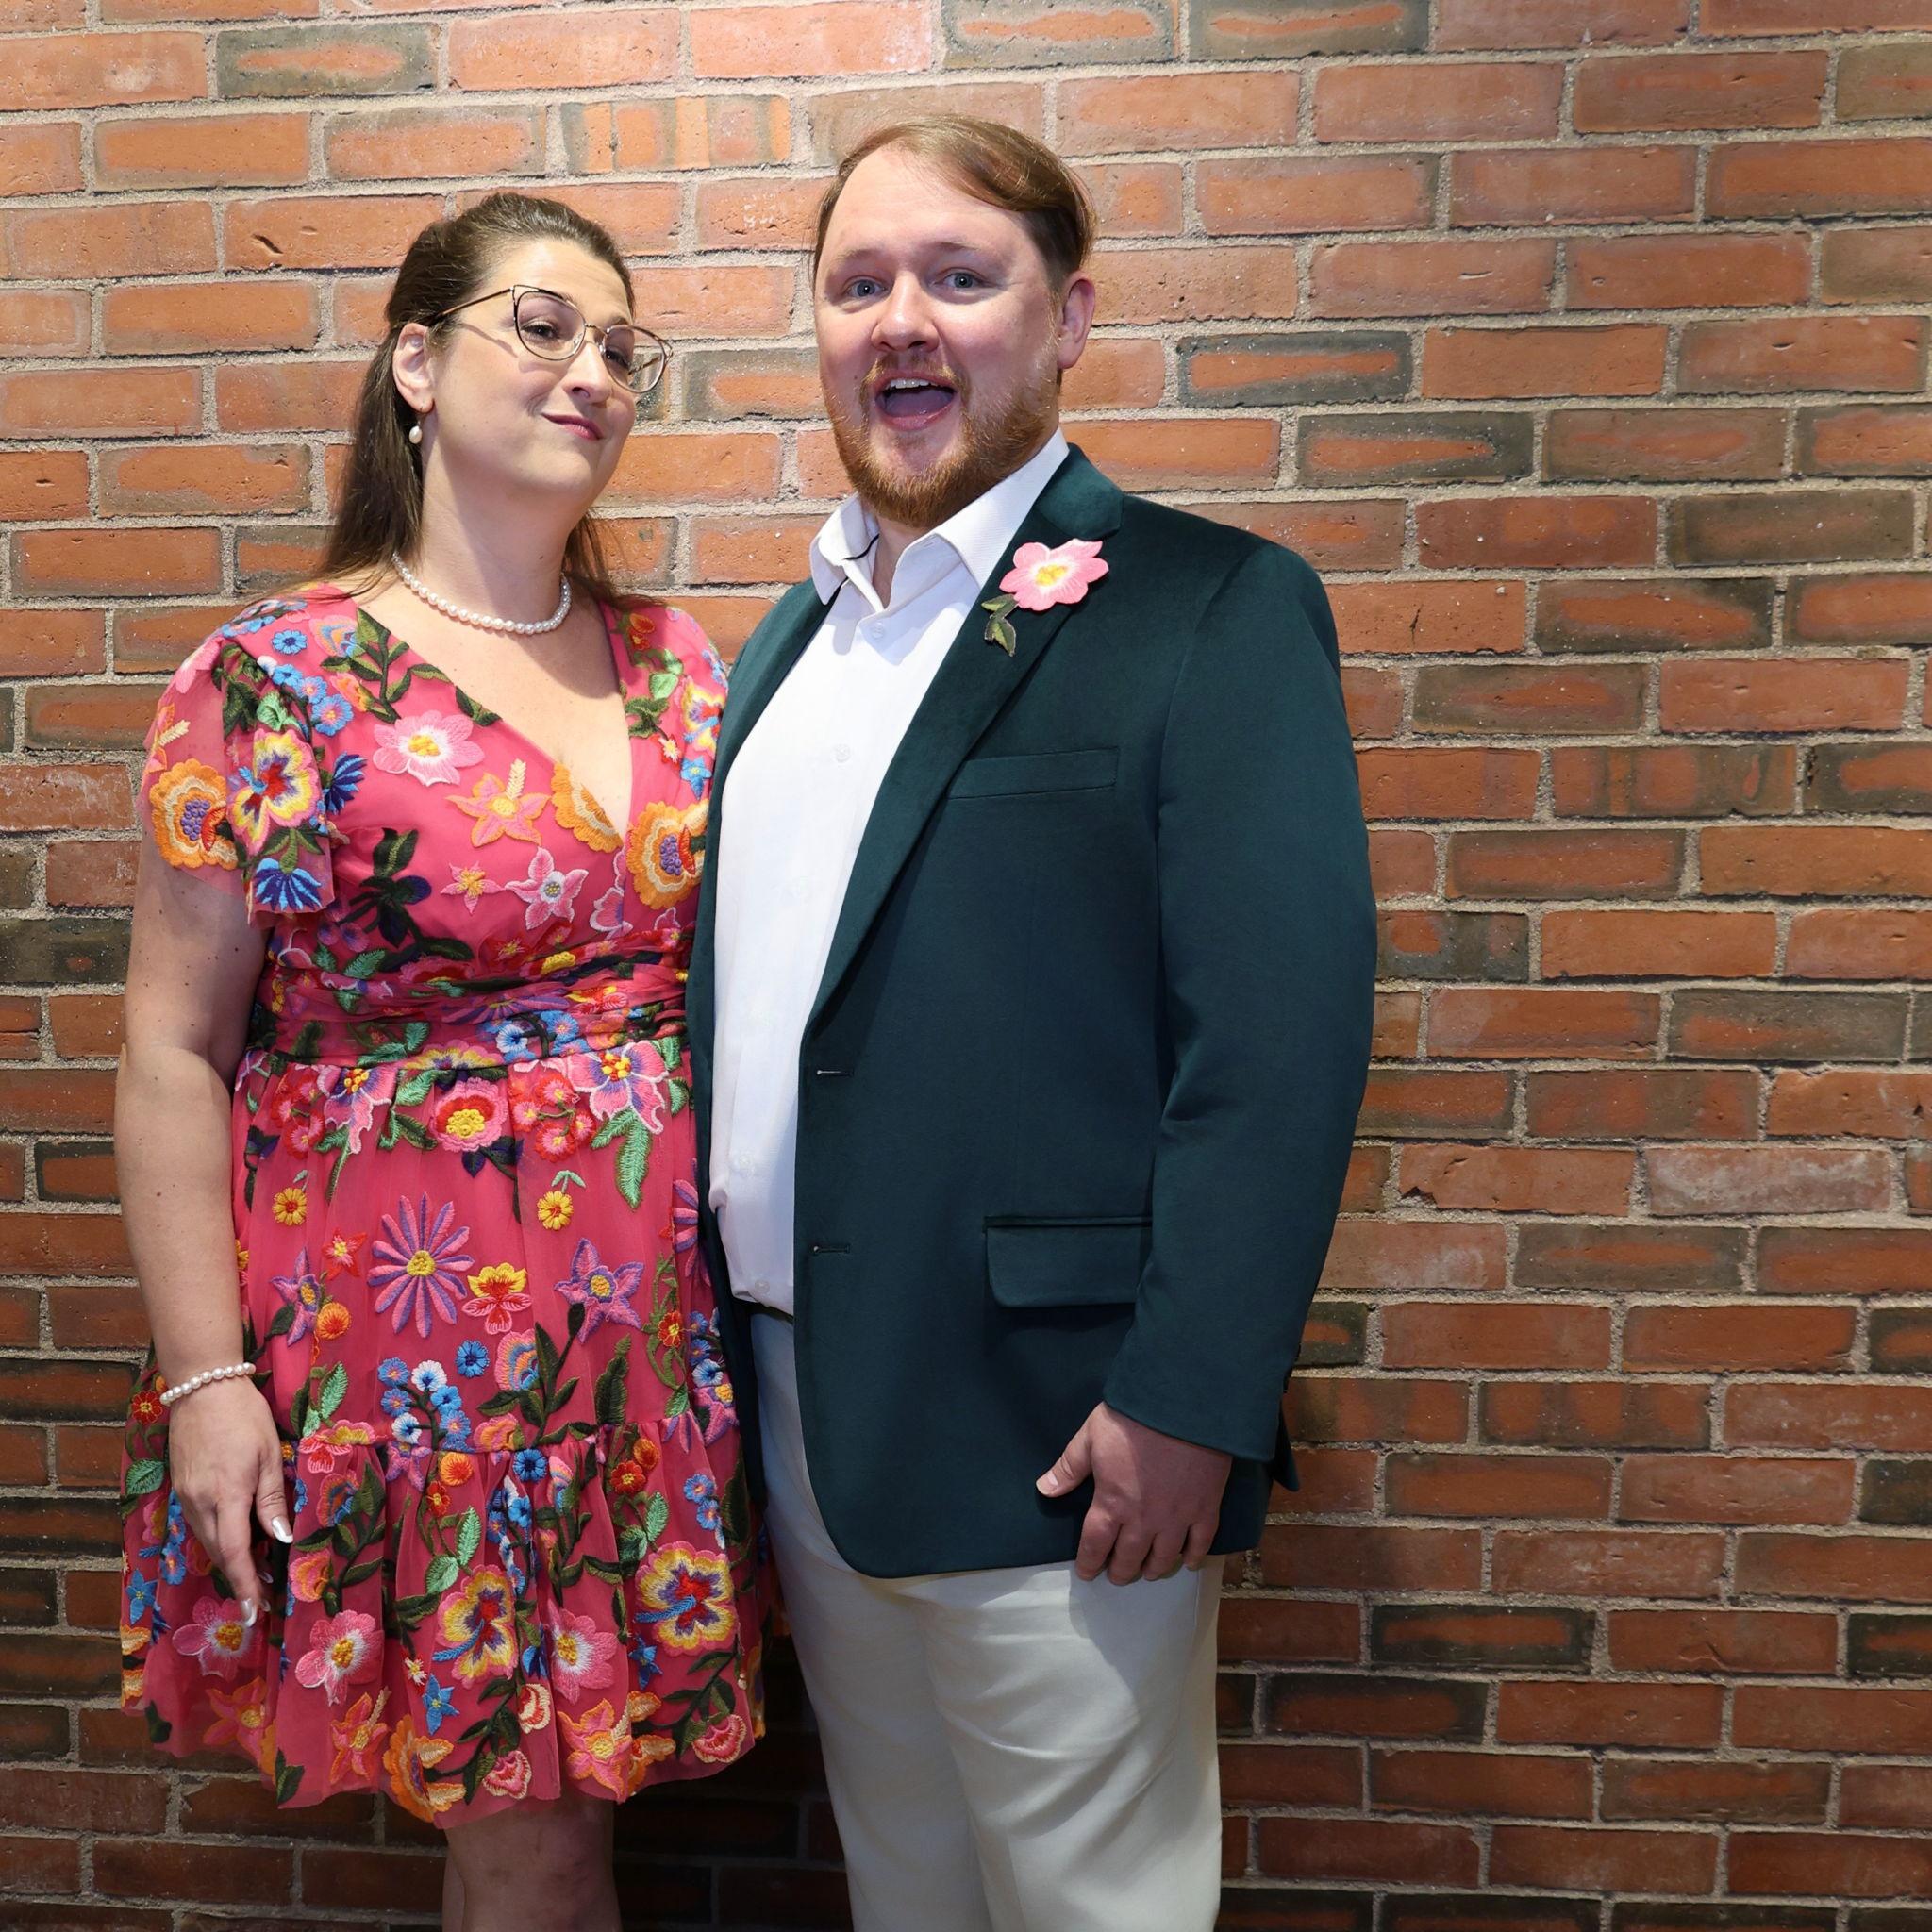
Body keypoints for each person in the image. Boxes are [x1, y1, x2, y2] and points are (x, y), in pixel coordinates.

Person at [689, 117, 1376, 1931]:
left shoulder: (1207, 610)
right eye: (857, 283)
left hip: (1067, 1436)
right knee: (908, 1892)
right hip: (806, 1419)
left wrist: (1191, 1395)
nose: (900, 322)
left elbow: (1276, 1046)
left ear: (1066, 318)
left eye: (957, 276)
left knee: (1096, 1908)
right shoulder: (784, 648)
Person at [115, 192, 765, 1932]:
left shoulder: (680, 667)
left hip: (644, 1353)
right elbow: (172, 1048)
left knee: (548, 1819)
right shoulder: (274, 682)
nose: (591, 371)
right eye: (542, 326)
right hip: (413, 1357)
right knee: (527, 1828)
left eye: (622, 347)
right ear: (415, 362)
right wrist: (207, 1379)